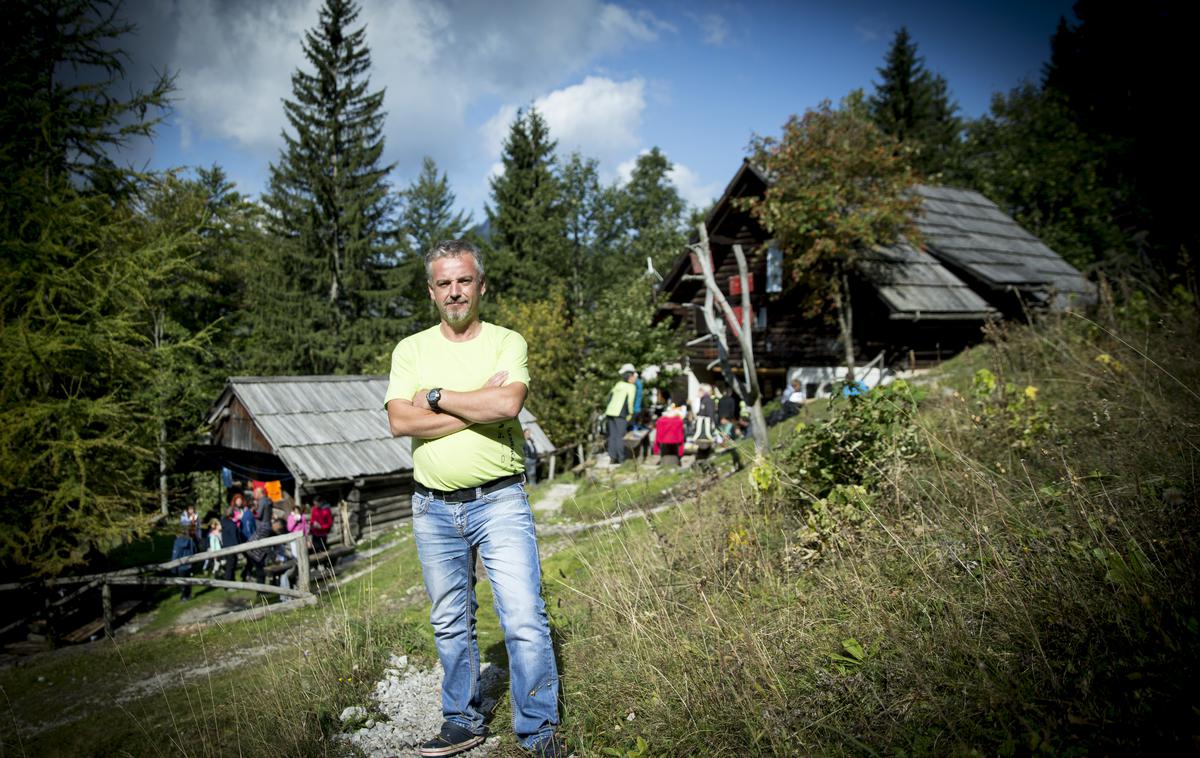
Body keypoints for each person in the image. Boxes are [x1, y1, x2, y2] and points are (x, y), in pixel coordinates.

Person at [385, 239, 566, 758]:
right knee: (449, 619)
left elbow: (507, 404)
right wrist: (476, 405)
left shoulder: (508, 341)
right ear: (431, 291)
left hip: (499, 501)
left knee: (523, 613)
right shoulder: (411, 349)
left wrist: (437, 398)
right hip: (432, 507)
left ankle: (538, 731)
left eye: (464, 280)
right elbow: (401, 420)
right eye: (444, 283)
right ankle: (462, 721)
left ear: (481, 285)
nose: (454, 291)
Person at [604, 365, 638, 465]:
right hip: (620, 413)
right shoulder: (631, 387)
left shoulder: (618, 384)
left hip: (610, 411)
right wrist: (631, 413)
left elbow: (610, 396)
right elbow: (630, 401)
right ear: (629, 377)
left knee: (612, 435)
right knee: (620, 436)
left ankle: (612, 457)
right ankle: (621, 459)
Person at [171, 525, 197, 601]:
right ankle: (188, 595)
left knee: (182, 582)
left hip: (180, 566)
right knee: (188, 580)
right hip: (189, 564)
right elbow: (194, 550)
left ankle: (184, 597)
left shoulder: (177, 542)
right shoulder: (190, 540)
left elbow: (175, 554)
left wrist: (173, 568)